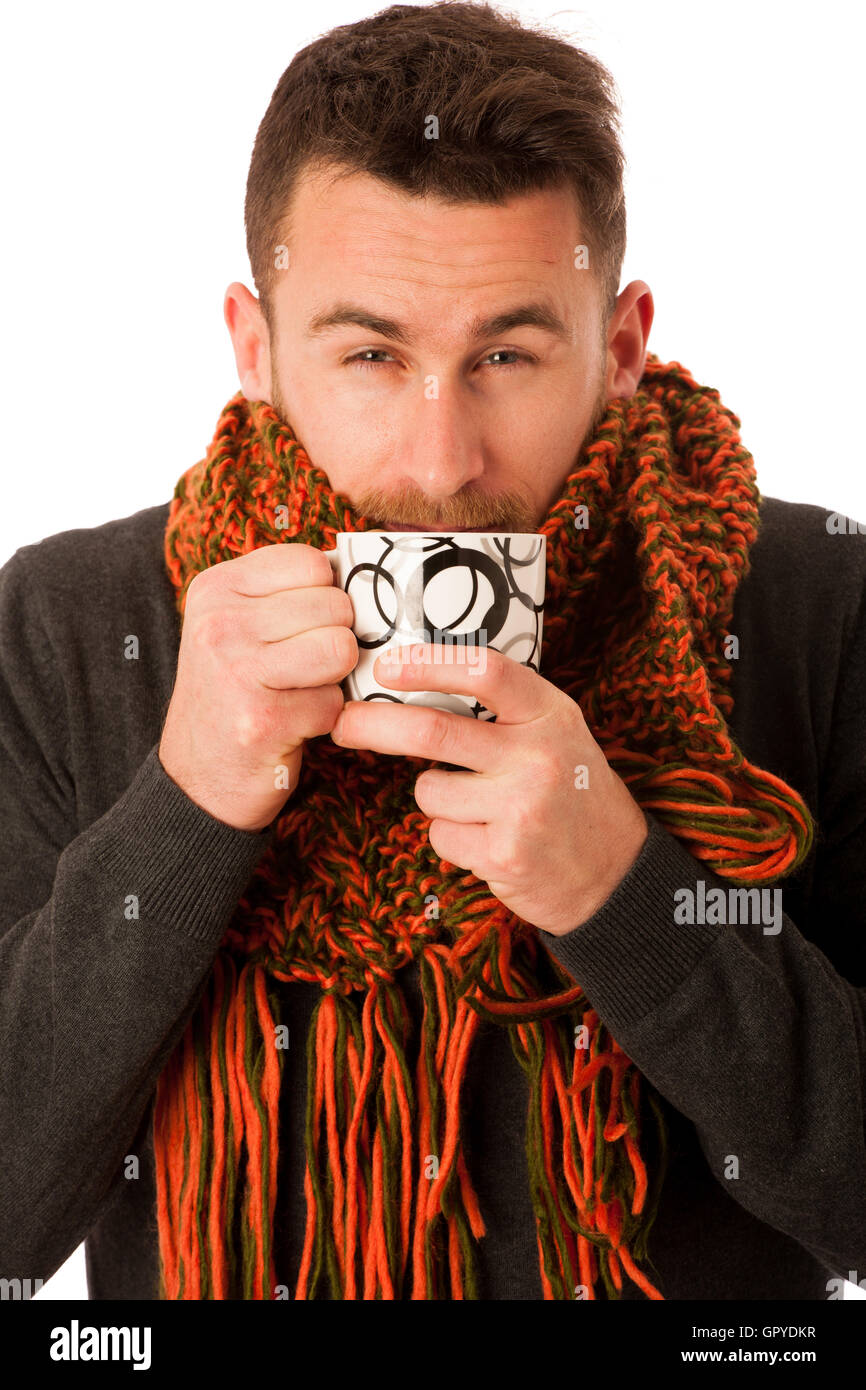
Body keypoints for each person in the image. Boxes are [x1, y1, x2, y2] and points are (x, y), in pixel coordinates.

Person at [1, 0, 864, 1302]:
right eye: (368, 352)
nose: (439, 460)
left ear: (620, 346)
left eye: (506, 353)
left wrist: (625, 890)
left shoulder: (810, 602)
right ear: (254, 349)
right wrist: (185, 804)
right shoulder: (71, 618)